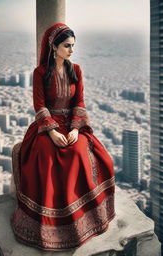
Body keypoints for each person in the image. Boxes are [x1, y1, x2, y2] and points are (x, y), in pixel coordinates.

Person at [10, 23, 116, 251]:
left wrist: (76, 129)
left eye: (73, 46)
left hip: (72, 124)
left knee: (82, 153)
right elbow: (39, 104)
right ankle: (50, 225)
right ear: (54, 47)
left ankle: (87, 218)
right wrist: (52, 131)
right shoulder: (40, 73)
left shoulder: (75, 70)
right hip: (47, 127)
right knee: (47, 155)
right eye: (67, 46)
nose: (71, 50)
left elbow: (79, 101)